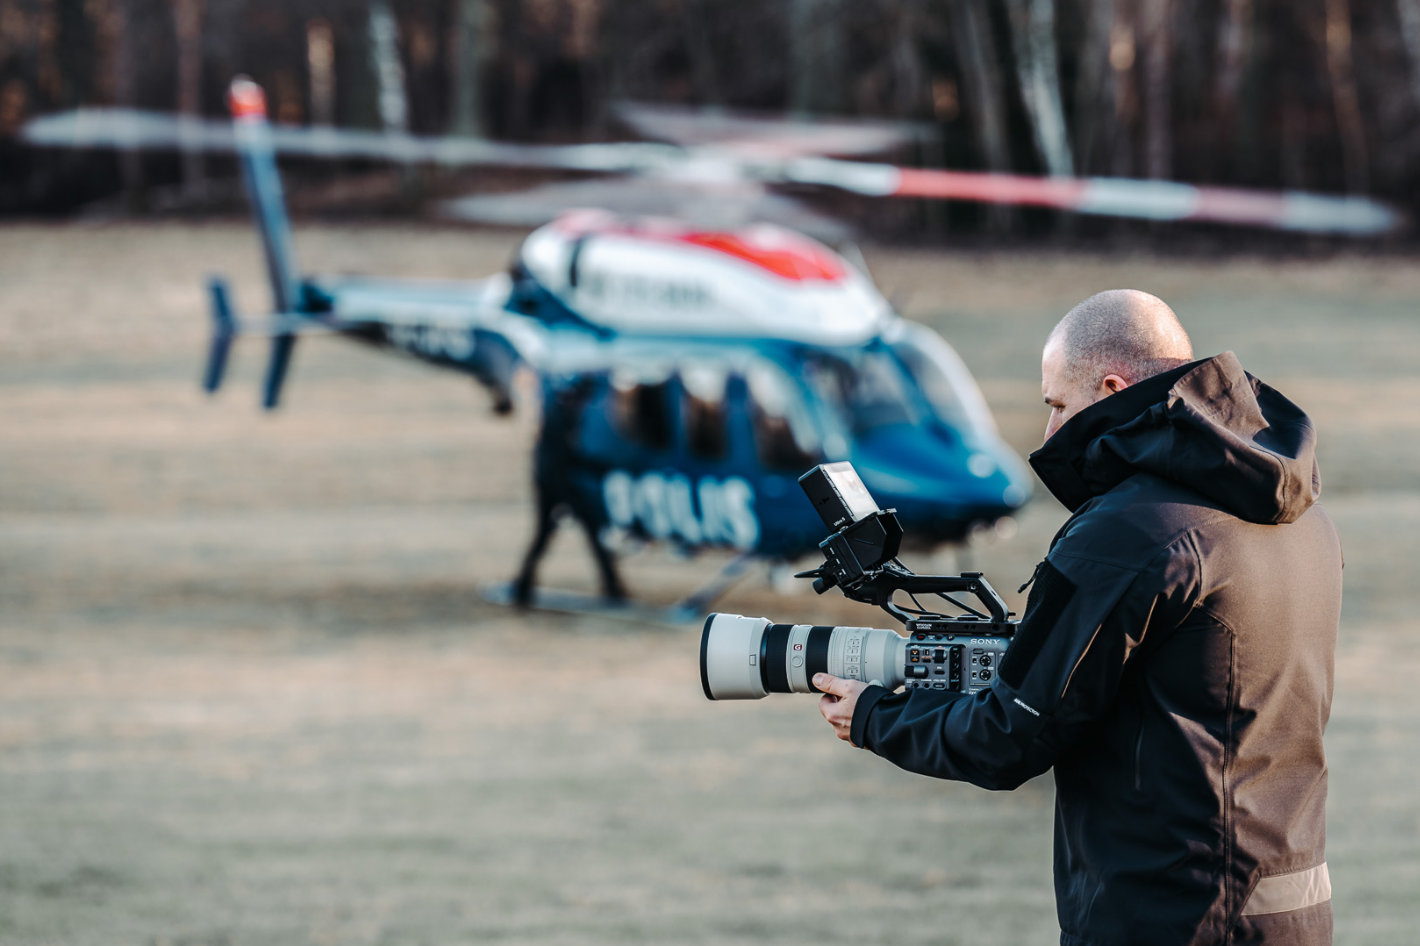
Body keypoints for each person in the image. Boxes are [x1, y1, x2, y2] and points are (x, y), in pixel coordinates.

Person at [814, 289, 1341, 945]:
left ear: (1110, 387)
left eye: (1057, 405)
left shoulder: (1127, 531)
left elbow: (1009, 735)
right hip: (1291, 909)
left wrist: (872, 714)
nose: (1048, 433)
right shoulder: (1300, 514)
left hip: (1168, 918)